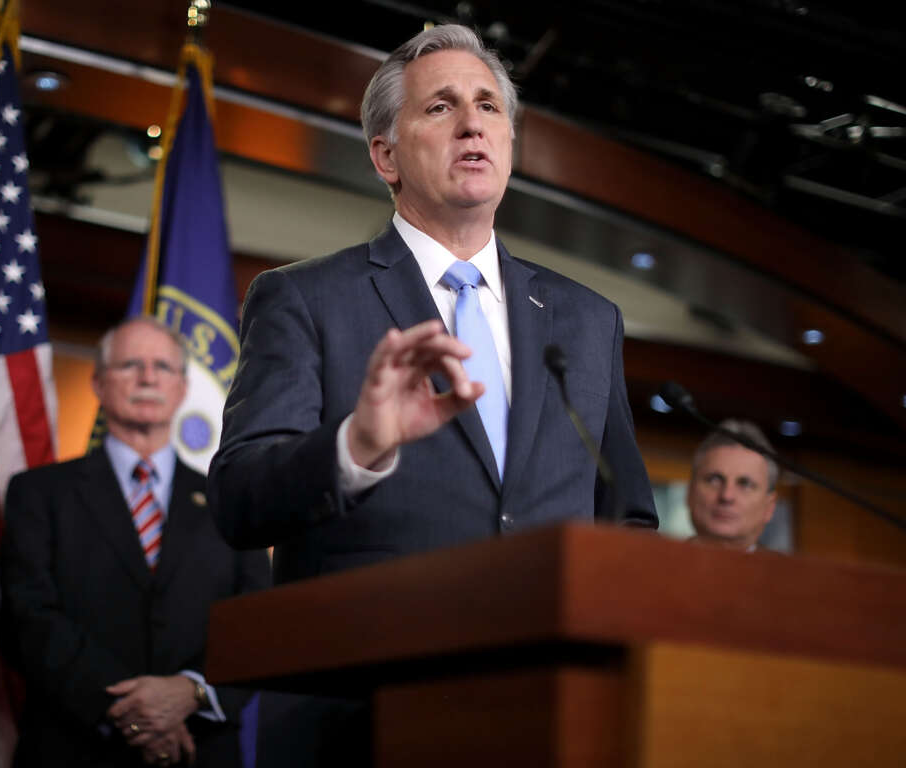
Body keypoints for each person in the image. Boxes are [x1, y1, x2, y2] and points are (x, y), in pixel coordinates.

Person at [207, 24, 657, 766]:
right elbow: (238, 499)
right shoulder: (303, 299)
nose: (474, 122)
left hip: (546, 714)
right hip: (362, 712)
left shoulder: (586, 319)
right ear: (385, 154)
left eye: (488, 107)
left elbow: (627, 521)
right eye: (441, 107)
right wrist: (358, 444)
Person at [0, 317, 271, 768]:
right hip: (74, 746)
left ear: (183, 387)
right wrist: (138, 713)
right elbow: (26, 617)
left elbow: (257, 621)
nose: (148, 377)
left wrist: (190, 693)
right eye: (130, 365)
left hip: (199, 748)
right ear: (99, 383)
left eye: (162, 367)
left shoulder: (230, 502)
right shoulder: (38, 493)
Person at [687, 419, 778, 551]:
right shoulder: (657, 563)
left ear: (769, 507)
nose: (726, 496)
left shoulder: (789, 572)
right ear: (690, 493)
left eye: (745, 484)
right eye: (714, 480)